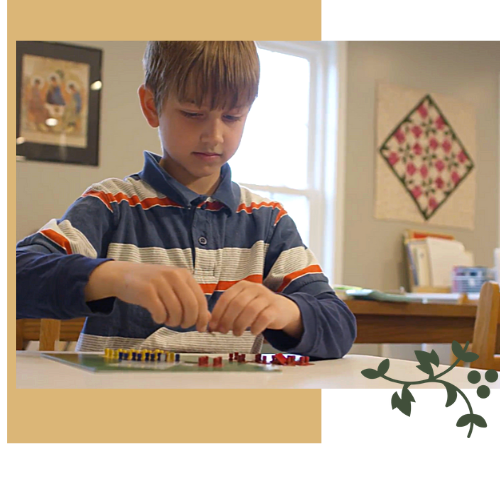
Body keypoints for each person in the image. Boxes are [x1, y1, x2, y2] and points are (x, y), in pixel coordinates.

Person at [16, 41, 356, 358]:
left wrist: (287, 311)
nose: (214, 136)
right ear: (152, 106)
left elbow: (339, 325)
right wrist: (117, 278)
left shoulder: (267, 220)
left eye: (232, 116)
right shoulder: (111, 204)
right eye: (193, 113)